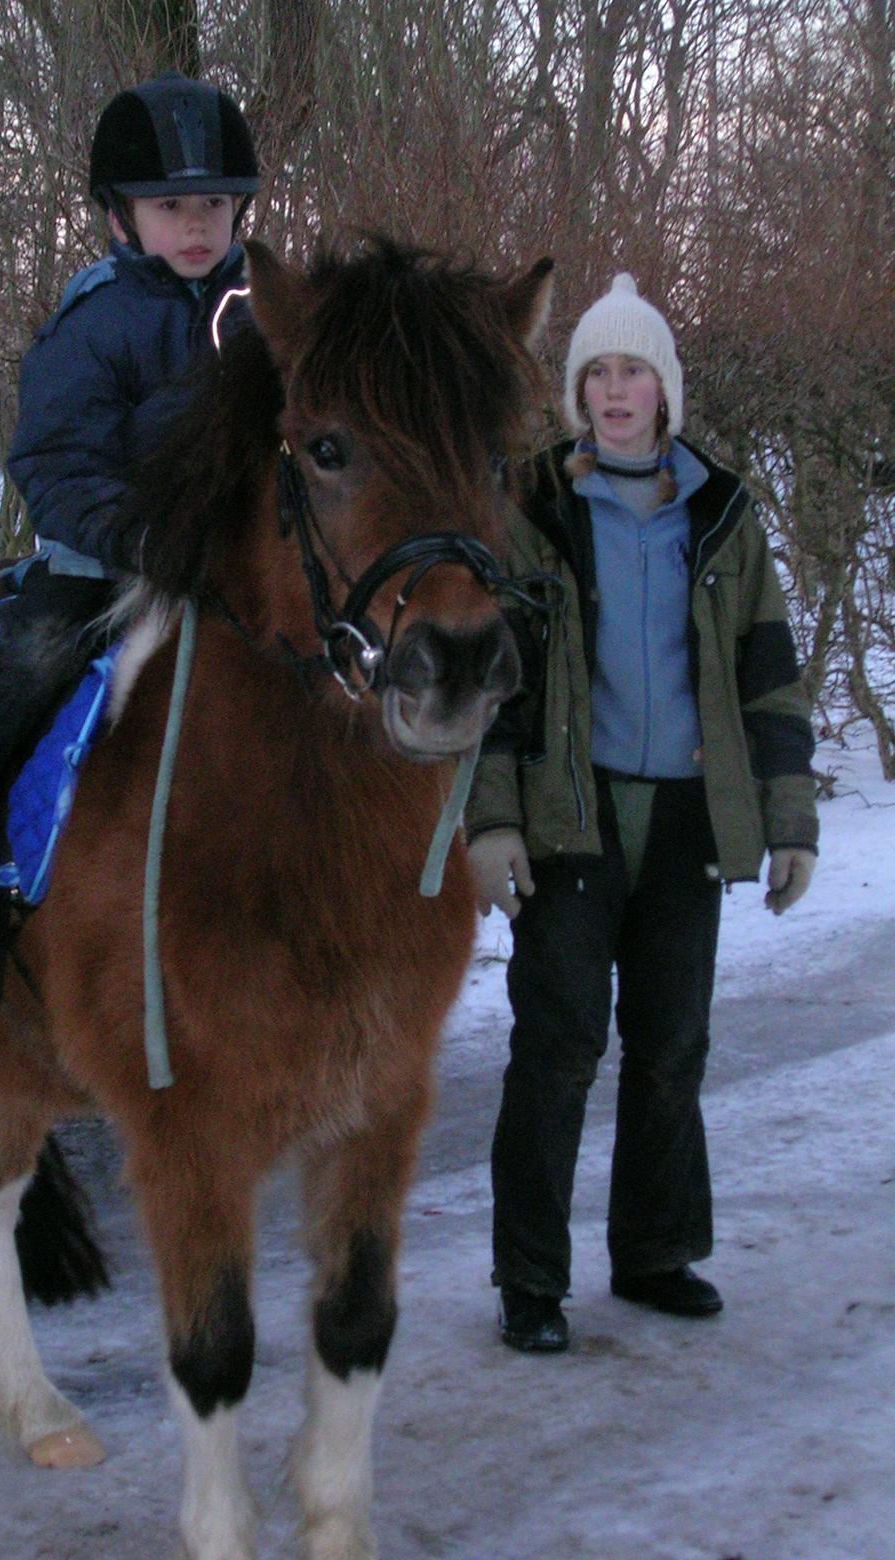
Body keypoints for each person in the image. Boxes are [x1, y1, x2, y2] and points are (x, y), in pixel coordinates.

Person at [467, 273, 818, 1353]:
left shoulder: (723, 511)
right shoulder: (530, 507)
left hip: (686, 821)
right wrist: (492, 819)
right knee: (558, 1051)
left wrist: (789, 814)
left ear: (666, 391)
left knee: (671, 1048)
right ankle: (531, 1283)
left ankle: (654, 1254)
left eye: (634, 372)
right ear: (577, 393)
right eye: (596, 374)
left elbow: (769, 669)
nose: (615, 391)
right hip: (570, 820)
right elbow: (497, 680)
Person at [0, 72, 259, 941]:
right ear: (121, 217)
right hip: (106, 567)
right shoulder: (96, 322)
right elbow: (54, 457)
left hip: (238, 565)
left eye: (210, 204)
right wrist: (138, 534)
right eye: (168, 207)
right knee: (32, 658)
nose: (194, 225)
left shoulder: (266, 316)